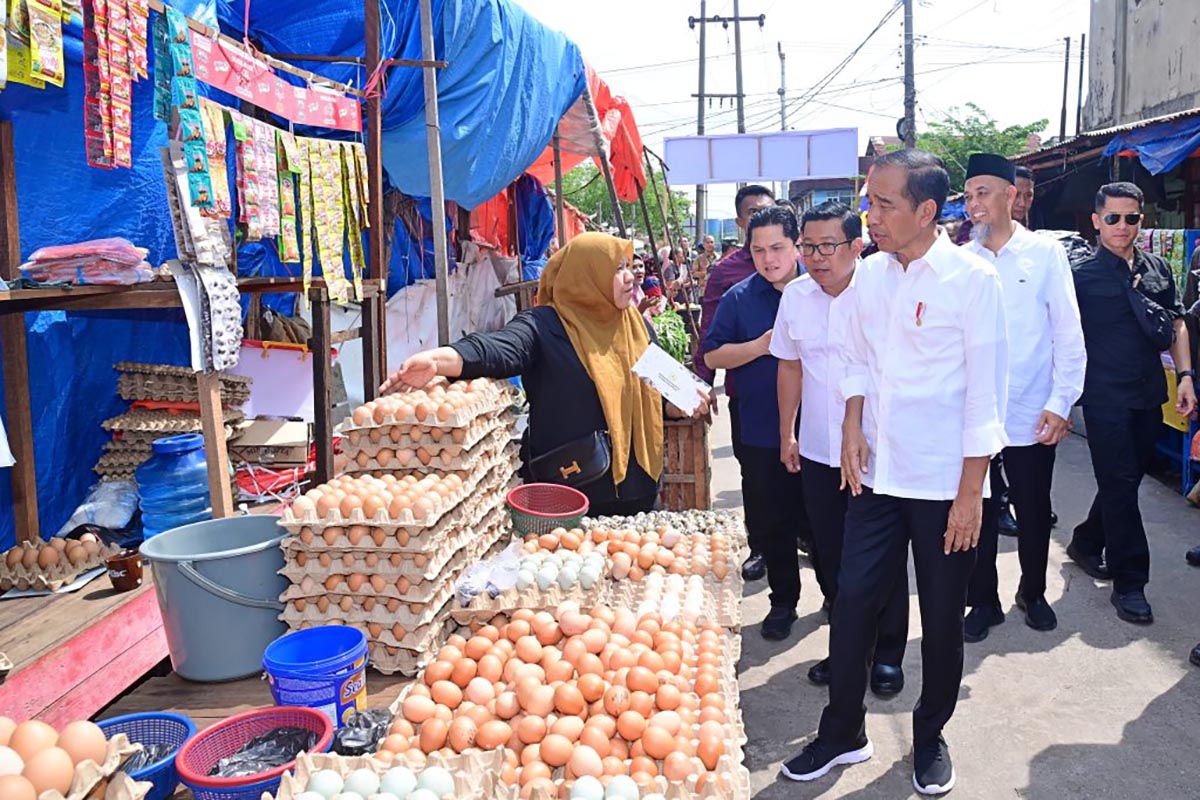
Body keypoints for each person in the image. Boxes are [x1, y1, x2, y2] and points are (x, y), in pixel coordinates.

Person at [781, 150, 1008, 796]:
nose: (869, 216)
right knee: (852, 601)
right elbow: (856, 359)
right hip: (877, 480)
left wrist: (971, 497)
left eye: (883, 204)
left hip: (944, 486)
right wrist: (853, 423)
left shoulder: (971, 281)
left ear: (927, 211)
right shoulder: (871, 279)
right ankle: (842, 731)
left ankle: (930, 733)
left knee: (940, 619)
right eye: (868, 201)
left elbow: (984, 399)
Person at [379, 232, 708, 517]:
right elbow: (498, 349)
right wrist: (439, 360)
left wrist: (675, 404)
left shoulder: (637, 327)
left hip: (641, 494)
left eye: (627, 267)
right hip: (573, 499)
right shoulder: (545, 325)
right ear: (587, 274)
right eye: (617, 268)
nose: (629, 277)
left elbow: (653, 390)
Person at [772, 200, 909, 693]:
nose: (816, 256)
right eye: (808, 246)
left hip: (875, 450)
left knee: (883, 556)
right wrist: (788, 431)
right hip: (816, 449)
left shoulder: (882, 290)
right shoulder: (796, 297)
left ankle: (888, 651)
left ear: (856, 245)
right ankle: (847, 648)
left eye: (828, 246)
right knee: (830, 554)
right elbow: (789, 366)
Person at [959, 153, 1086, 642]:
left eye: (983, 193)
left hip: (1032, 410)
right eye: (968, 196)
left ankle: (1032, 593)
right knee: (979, 510)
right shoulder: (963, 260)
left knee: (1033, 509)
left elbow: (1068, 334)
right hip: (974, 413)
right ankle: (984, 600)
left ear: (1011, 196)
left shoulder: (1044, 254)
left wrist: (1061, 402)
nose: (974, 205)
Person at [1067, 182, 1196, 625]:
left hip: (1148, 396)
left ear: (1143, 219)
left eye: (1132, 218)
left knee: (1124, 479)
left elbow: (1177, 323)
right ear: (1096, 220)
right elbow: (1059, 336)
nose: (1123, 227)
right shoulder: (1079, 275)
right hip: (1103, 398)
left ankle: (1086, 541)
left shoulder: (1157, 266)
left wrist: (1185, 377)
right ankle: (1131, 584)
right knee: (1121, 487)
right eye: (1113, 218)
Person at [704, 205, 804, 640]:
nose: (769, 259)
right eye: (759, 250)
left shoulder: (824, 288)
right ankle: (784, 601)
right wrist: (760, 346)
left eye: (778, 248)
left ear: (797, 244)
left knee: (824, 522)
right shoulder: (740, 297)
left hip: (821, 430)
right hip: (761, 428)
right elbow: (712, 355)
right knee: (774, 519)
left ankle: (842, 604)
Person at [695, 184, 778, 582]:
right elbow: (710, 336)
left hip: (808, 402)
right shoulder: (728, 276)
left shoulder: (805, 271)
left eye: (769, 211)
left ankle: (808, 541)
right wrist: (701, 385)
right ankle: (760, 545)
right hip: (751, 397)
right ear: (741, 222)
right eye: (753, 214)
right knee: (758, 480)